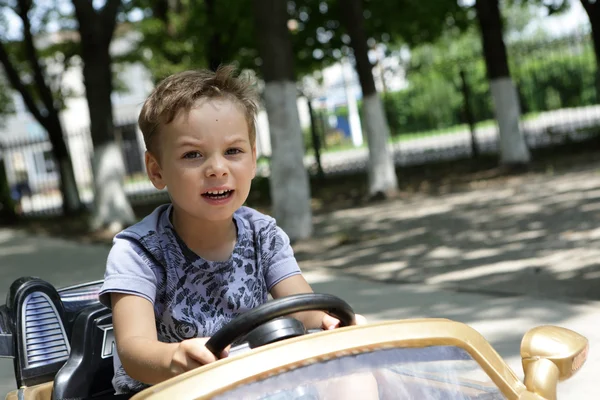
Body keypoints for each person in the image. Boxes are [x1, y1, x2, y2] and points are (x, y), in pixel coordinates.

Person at [98, 65, 373, 396]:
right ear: (157, 171)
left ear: (254, 159)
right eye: (193, 155)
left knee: (356, 376)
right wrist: (173, 356)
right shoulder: (138, 252)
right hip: (175, 390)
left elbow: (304, 307)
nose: (217, 169)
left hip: (254, 383)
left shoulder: (263, 235)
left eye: (233, 151)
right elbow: (134, 351)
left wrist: (331, 322)